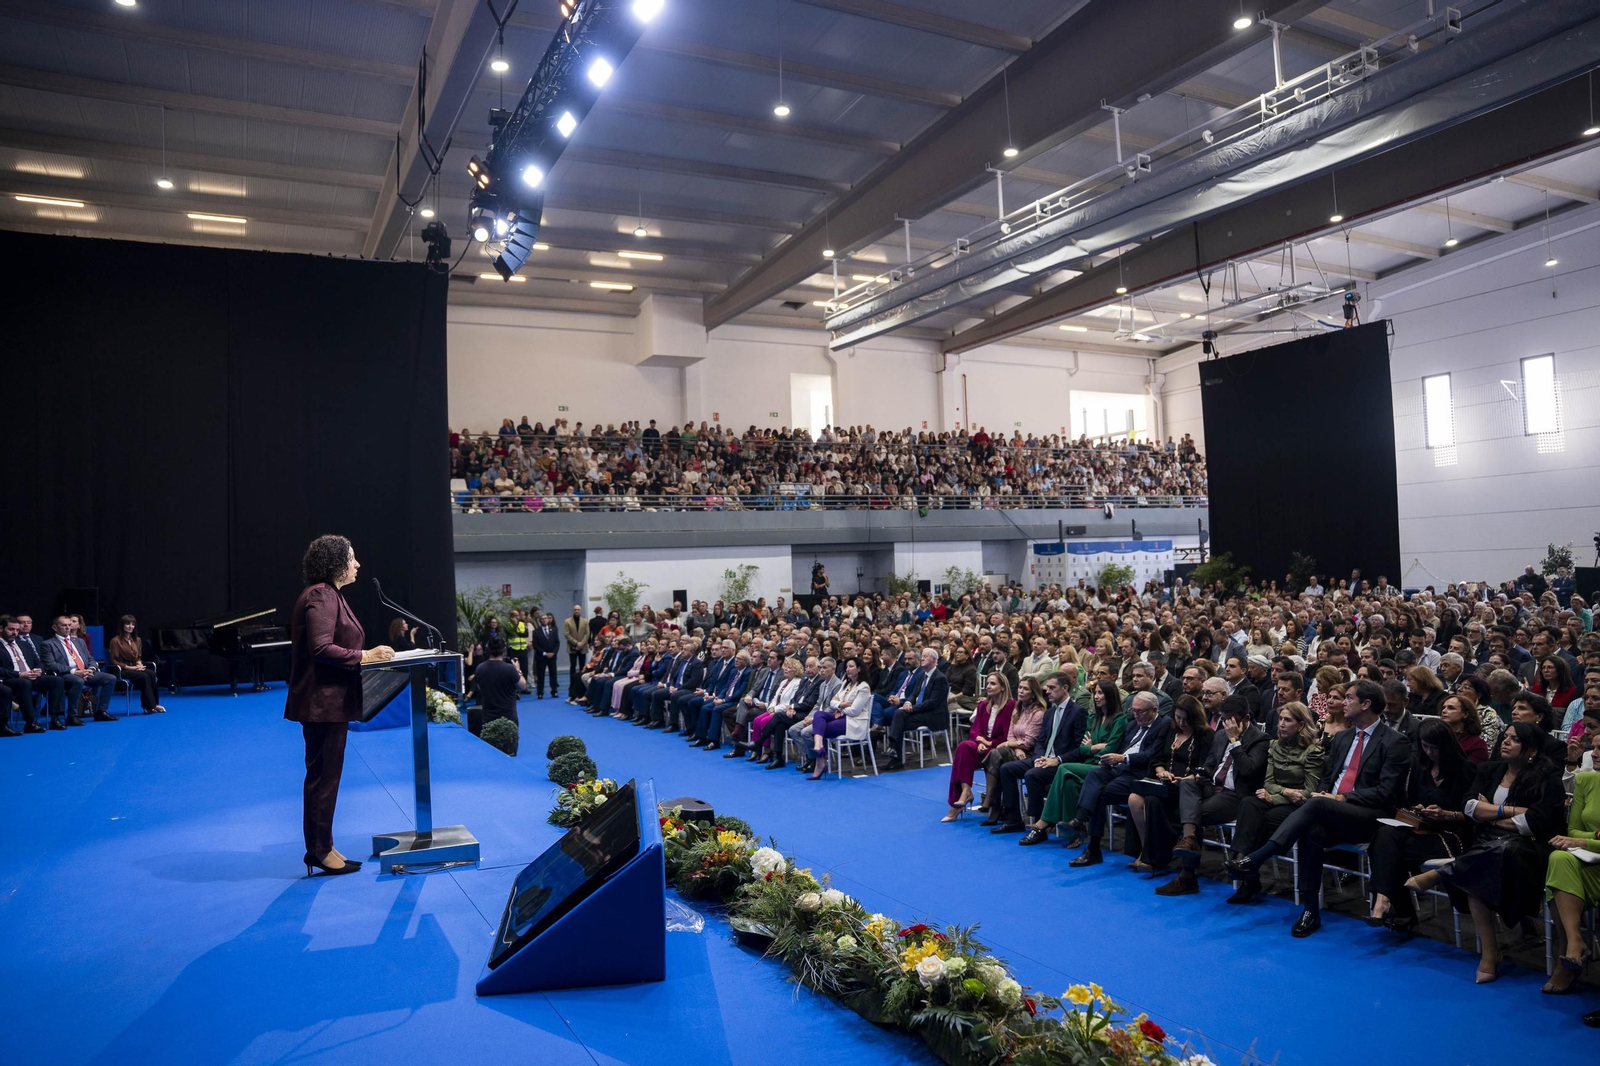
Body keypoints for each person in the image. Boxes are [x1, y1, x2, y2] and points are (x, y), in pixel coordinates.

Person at [1223, 679, 1412, 936]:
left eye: (1348, 698)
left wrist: (1342, 799)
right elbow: (1327, 778)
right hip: (1330, 810)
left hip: (1372, 818)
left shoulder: (1395, 741)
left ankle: (1257, 857)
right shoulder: (1344, 737)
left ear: (1366, 704)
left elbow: (1386, 792)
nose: (1342, 702)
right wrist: (1324, 793)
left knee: (1316, 805)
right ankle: (1311, 910)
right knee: (1310, 831)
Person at [1408, 721, 1565, 982]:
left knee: (1495, 855)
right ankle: (1490, 953)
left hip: (1529, 849)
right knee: (1483, 866)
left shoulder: (1547, 777)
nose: (1505, 741)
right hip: (1487, 843)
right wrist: (1508, 811)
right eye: (1506, 736)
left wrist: (1488, 812)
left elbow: (1535, 823)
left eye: (1514, 739)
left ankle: (1446, 874)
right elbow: (1469, 808)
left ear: (1531, 751)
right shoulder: (1490, 770)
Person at [283, 534, 394, 877]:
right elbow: (320, 648)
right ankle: (318, 851)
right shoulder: (322, 594)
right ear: (336, 563)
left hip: (327, 704)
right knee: (323, 780)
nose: (357, 564)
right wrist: (366, 655)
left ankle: (324, 845)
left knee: (325, 777)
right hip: (323, 705)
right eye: (352, 558)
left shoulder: (329, 595)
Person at [1365, 719, 1474, 931]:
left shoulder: (1467, 770)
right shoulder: (1420, 766)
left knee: (1386, 851)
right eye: (1425, 746)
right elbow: (1411, 800)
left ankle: (1395, 908)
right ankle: (1384, 901)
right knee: (1385, 835)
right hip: (1423, 828)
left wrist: (1446, 814)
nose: (1430, 752)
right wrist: (1419, 809)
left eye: (1435, 747)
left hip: (1453, 834)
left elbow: (1472, 815)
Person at [1156, 695, 1269, 895]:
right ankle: (1189, 840)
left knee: (1192, 814)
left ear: (1246, 717)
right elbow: (1210, 764)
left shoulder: (1260, 739)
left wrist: (1235, 741)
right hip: (1212, 787)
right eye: (1224, 719)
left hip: (1236, 794)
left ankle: (1187, 875)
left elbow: (1248, 770)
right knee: (1188, 784)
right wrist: (1200, 774)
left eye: (1231, 720)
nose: (1227, 725)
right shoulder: (1220, 735)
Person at [1225, 700, 1325, 903]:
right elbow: (1268, 783)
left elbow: (1308, 792)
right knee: (1249, 804)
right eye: (1280, 719)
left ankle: (1246, 872)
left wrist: (1279, 796)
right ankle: (1244, 863)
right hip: (1278, 800)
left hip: (1299, 808)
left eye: (1287, 720)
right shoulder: (1274, 746)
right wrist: (1285, 792)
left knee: (1258, 819)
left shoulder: (1313, 752)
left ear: (1301, 725)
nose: (1281, 724)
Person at [1065, 690, 1171, 865]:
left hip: (1139, 774)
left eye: (1140, 711)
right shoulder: (1132, 724)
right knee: (1094, 773)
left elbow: (1153, 755)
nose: (1135, 715)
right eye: (1133, 710)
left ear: (1153, 710)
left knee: (1097, 794)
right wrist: (1110, 761)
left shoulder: (1164, 724)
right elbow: (1121, 748)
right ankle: (1080, 820)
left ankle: (1092, 846)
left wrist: (1123, 758)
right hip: (1120, 769)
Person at [992, 673, 1087, 840]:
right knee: (1007, 769)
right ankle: (1014, 819)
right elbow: (1041, 741)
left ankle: (1038, 826)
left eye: (1052, 688)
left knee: (1032, 775)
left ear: (1065, 688)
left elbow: (1080, 748)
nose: (1047, 691)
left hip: (1062, 763)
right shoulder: (1050, 712)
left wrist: (1056, 760)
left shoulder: (1078, 712)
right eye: (1047, 688)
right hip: (1043, 758)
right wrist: (1038, 757)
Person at [1127, 694, 1213, 872]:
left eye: (1185, 719)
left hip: (1190, 785)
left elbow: (1205, 767)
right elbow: (1156, 759)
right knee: (1134, 798)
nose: (1181, 722)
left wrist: (1184, 779)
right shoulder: (1169, 729)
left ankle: (1155, 856)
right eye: (1178, 717)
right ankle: (1146, 851)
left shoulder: (1205, 735)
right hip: (1165, 782)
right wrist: (1162, 772)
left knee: (1151, 800)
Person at [1038, 679, 1128, 845]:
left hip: (1103, 767)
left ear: (1110, 695)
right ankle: (1074, 834)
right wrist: (1095, 747)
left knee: (1063, 768)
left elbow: (1111, 749)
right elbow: (1082, 748)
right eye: (1095, 693)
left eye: (1101, 693)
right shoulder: (1093, 718)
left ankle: (1046, 820)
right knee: (1070, 782)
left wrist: (1092, 747)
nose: (1096, 696)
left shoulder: (1119, 719)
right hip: (1088, 764)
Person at [1543, 771, 1600, 993]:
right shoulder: (1586, 780)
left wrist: (1587, 840)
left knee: (1560, 864)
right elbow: (1572, 830)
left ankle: (1566, 956)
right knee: (1558, 858)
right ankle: (1574, 942)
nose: (1592, 753)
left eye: (1598, 748)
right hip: (1592, 863)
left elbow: (1577, 837)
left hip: (1591, 855)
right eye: (1592, 747)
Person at [978, 676, 1048, 826]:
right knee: (996, 757)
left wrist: (1010, 744)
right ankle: (999, 806)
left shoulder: (1039, 713)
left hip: (1030, 753)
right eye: (1020, 688)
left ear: (1034, 692)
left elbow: (1029, 742)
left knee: (996, 755)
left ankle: (993, 802)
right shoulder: (1018, 708)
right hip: (1016, 751)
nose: (1021, 691)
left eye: (1026, 689)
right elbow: (1010, 733)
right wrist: (1014, 747)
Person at [945, 673, 1014, 820]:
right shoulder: (983, 705)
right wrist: (980, 741)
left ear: (1002, 687)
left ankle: (961, 802)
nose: (988, 686)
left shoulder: (1010, 706)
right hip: (982, 746)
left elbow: (1009, 733)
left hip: (998, 748)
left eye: (993, 684)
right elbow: (975, 730)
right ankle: (965, 791)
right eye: (987, 683)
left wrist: (990, 743)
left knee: (986, 752)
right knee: (964, 746)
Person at [804, 657, 873, 780]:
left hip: (854, 721)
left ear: (859, 669)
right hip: (841, 717)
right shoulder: (846, 684)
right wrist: (841, 704)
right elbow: (832, 702)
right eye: (847, 667)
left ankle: (820, 762)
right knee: (819, 715)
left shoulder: (864, 687)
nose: (848, 669)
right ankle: (819, 745)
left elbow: (854, 711)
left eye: (851, 666)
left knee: (822, 727)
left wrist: (839, 705)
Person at [883, 648, 950, 770]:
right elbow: (914, 694)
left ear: (934, 660)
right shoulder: (922, 675)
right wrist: (908, 702)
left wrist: (912, 708)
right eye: (922, 656)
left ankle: (895, 754)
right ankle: (894, 752)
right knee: (899, 714)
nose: (922, 658)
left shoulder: (940, 678)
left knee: (899, 719)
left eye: (925, 656)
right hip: (921, 711)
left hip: (934, 715)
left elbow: (932, 703)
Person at [41, 615, 117, 722]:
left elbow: (90, 658)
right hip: (66, 674)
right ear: (55, 627)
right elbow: (51, 665)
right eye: (64, 625)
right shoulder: (48, 644)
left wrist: (91, 669)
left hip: (85, 671)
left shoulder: (79, 641)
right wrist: (75, 671)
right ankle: (72, 715)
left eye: (69, 625)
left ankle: (101, 712)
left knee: (110, 678)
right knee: (78, 680)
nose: (68, 627)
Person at [1, 613, 67, 731]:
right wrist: (19, 674)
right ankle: (30, 722)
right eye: (11, 629)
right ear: (1, 628)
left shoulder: (23, 644)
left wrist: (38, 670)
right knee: (24, 683)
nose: (15, 633)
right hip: (10, 679)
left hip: (30, 676)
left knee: (57, 681)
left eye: (17, 630)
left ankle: (55, 718)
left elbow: (39, 661)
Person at [470, 635, 525, 751]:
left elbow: (479, 687)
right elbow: (523, 686)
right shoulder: (510, 669)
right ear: (504, 650)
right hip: (509, 718)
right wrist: (518, 670)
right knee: (509, 753)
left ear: (487, 650)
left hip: (488, 718)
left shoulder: (480, 668)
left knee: (490, 753)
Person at [108, 614, 165, 714]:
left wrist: (139, 665)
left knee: (151, 674)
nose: (130, 627)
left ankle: (154, 704)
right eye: (128, 624)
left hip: (134, 667)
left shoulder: (137, 640)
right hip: (122, 669)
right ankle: (148, 706)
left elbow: (138, 657)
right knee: (144, 676)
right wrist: (131, 668)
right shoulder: (115, 641)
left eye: (133, 624)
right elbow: (114, 661)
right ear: (122, 625)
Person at [1438, 693, 1489, 763]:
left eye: (1451, 708)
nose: (1443, 711)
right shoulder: (1437, 735)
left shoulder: (1476, 744)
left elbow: (1472, 770)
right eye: (1443, 707)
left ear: (1465, 714)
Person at [562, 605, 589, 700]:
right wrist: (576, 643)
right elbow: (566, 634)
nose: (577, 611)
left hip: (583, 646)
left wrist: (581, 643)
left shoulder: (585, 621)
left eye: (578, 609)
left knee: (583, 667)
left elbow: (587, 633)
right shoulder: (567, 621)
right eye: (575, 610)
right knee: (572, 667)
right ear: (572, 611)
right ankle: (572, 689)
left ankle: (581, 688)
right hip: (572, 647)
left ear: (580, 610)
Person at [531, 612, 561, 697]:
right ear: (540, 620)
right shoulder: (536, 632)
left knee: (553, 674)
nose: (544, 620)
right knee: (541, 675)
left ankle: (554, 691)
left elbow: (557, 642)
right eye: (542, 619)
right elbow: (535, 644)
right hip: (541, 657)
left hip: (552, 656)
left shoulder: (554, 630)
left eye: (545, 618)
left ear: (548, 620)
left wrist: (554, 652)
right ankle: (540, 692)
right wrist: (544, 653)